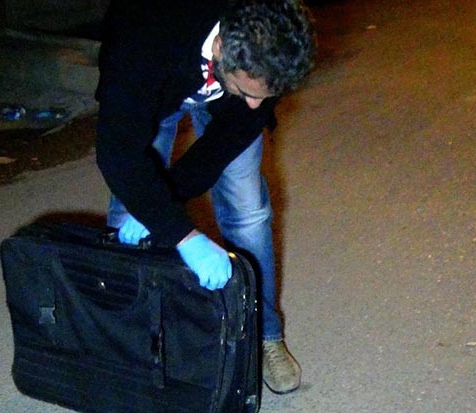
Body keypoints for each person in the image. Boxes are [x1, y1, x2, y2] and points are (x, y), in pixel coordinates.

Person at [95, 0, 315, 394]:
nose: (257, 105)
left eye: (265, 94)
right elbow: (119, 153)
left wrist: (166, 209)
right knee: (130, 207)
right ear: (220, 48)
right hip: (157, 81)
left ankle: (263, 335)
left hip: (220, 83)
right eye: (250, 91)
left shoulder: (271, 47)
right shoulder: (143, 36)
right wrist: (172, 226)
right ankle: (128, 347)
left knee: (248, 213)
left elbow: (223, 143)